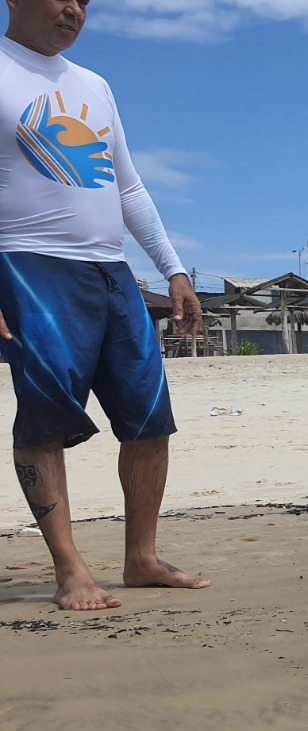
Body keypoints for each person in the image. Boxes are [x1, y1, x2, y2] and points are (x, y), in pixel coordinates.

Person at [0, 0, 211, 610]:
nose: (74, 10)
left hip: (111, 269)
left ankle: (141, 559)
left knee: (150, 416)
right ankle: (70, 569)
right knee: (44, 419)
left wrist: (171, 267)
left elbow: (128, 184)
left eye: (85, 1)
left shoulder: (94, 85)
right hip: (28, 264)